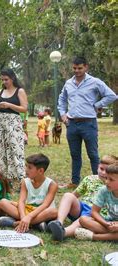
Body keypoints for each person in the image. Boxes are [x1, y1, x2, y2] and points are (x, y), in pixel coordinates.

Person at [57, 56, 117, 189]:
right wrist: (62, 114)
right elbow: (61, 100)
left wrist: (97, 105)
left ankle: (99, 182)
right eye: (74, 68)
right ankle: (74, 181)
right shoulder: (68, 83)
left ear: (86, 67)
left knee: (93, 154)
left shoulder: (95, 82)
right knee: (75, 154)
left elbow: (111, 95)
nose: (77, 71)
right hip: (71, 124)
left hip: (88, 123)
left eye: (80, 68)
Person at [48, 155, 117, 241]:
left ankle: (64, 232)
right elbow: (74, 195)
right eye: (101, 169)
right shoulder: (89, 179)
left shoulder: (109, 186)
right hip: (82, 207)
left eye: (106, 171)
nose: (103, 173)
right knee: (68, 196)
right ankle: (59, 222)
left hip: (96, 214)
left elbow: (95, 212)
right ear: (97, 167)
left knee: (84, 218)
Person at [0, 154, 58, 232]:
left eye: (29, 168)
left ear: (41, 171)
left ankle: (14, 223)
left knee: (53, 212)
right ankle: (35, 224)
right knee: (3, 202)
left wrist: (29, 217)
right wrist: (23, 217)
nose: (26, 170)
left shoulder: (52, 184)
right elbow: (21, 201)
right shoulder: (25, 182)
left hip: (41, 211)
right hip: (28, 209)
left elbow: (45, 205)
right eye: (26, 166)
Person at [0, 69, 28, 180]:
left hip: (13, 122)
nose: (4, 82)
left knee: (15, 148)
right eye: (2, 80)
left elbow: (24, 109)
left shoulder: (20, 91)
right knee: (0, 148)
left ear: (12, 78)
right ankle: (4, 176)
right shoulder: (0, 92)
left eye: (6, 79)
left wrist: (9, 105)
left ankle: (19, 176)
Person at [76, 163, 118, 241]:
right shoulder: (104, 190)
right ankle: (113, 236)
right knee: (83, 219)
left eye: (111, 179)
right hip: (109, 222)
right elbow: (94, 212)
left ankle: (94, 237)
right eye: (106, 178)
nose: (106, 182)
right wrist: (106, 224)